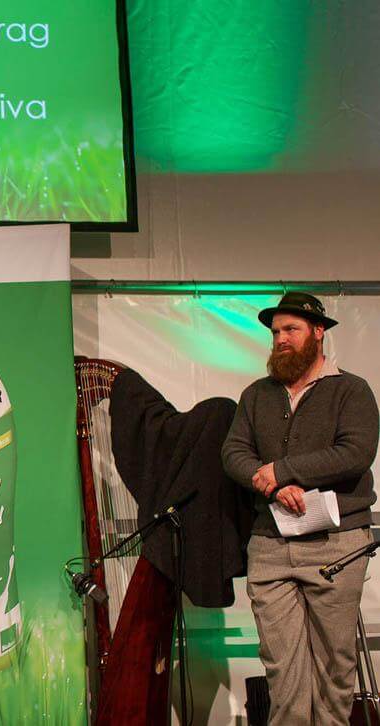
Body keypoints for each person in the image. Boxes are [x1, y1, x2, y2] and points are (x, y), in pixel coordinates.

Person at [222, 291, 379, 725]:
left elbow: (356, 451)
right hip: (272, 545)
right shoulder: (257, 395)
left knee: (333, 669)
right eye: (275, 333)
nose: (281, 340)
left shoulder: (351, 389)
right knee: (282, 672)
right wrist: (272, 486)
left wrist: (285, 471)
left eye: (291, 330)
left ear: (318, 332)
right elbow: (234, 452)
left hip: (335, 543)